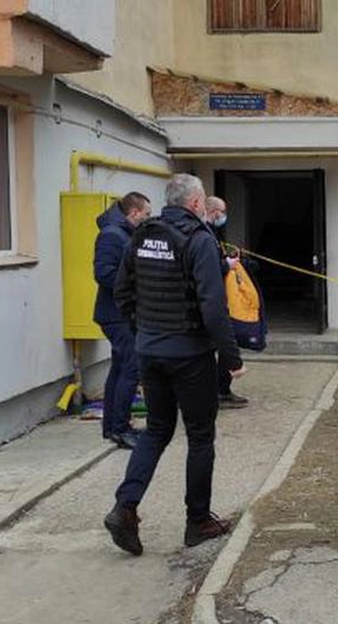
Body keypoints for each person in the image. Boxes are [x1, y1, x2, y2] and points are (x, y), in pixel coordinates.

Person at [105, 174, 245, 555]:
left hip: (150, 351)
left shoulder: (142, 234)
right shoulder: (199, 239)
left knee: (156, 430)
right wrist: (231, 357)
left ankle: (125, 507)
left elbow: (122, 291)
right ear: (196, 203)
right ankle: (198, 521)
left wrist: (144, 332)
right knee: (200, 436)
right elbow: (213, 306)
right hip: (190, 354)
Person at [94, 191, 152, 449]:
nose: (148, 218)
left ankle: (113, 427)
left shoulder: (124, 233)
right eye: (147, 214)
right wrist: (135, 283)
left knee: (119, 369)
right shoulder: (111, 235)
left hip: (122, 312)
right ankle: (120, 428)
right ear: (134, 213)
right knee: (131, 367)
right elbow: (103, 273)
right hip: (116, 314)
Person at [205, 195, 249, 408]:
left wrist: (226, 259)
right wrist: (226, 265)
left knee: (220, 346)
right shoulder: (203, 234)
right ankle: (218, 392)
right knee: (219, 344)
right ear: (213, 211)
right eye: (222, 212)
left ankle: (221, 390)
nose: (223, 216)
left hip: (218, 295)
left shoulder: (211, 233)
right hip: (211, 299)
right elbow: (208, 267)